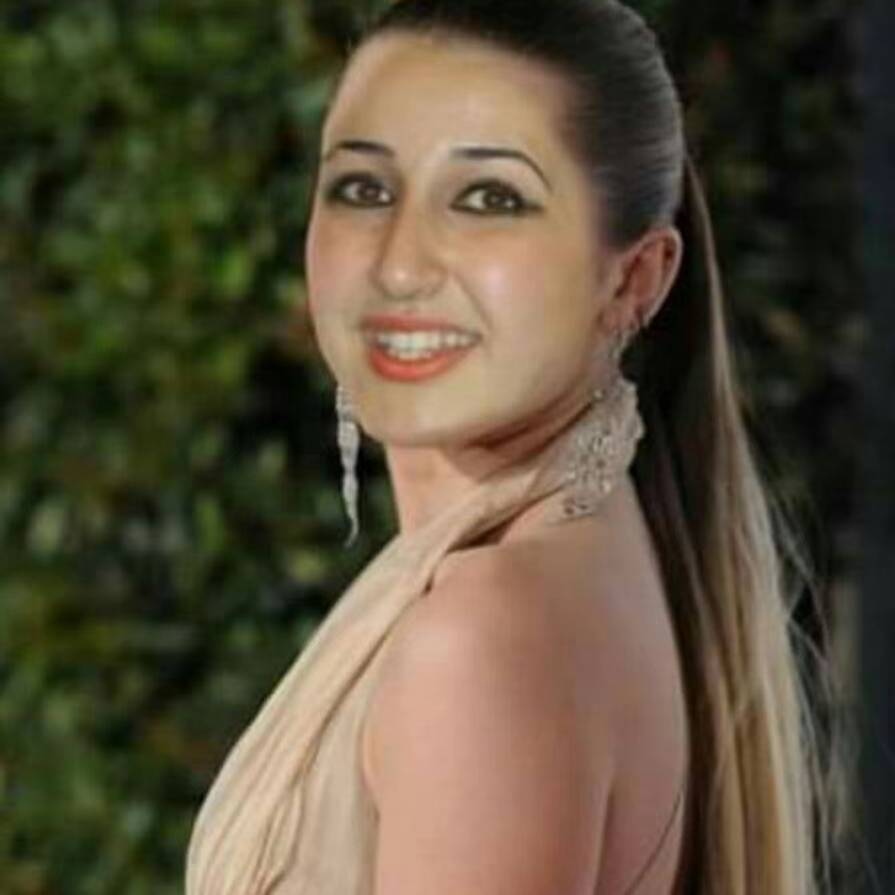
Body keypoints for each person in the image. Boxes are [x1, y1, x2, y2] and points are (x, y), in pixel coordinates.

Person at [185, 1, 837, 893]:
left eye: (490, 199)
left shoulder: (481, 637)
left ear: (635, 278)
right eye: (363, 189)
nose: (399, 265)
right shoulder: (580, 568)